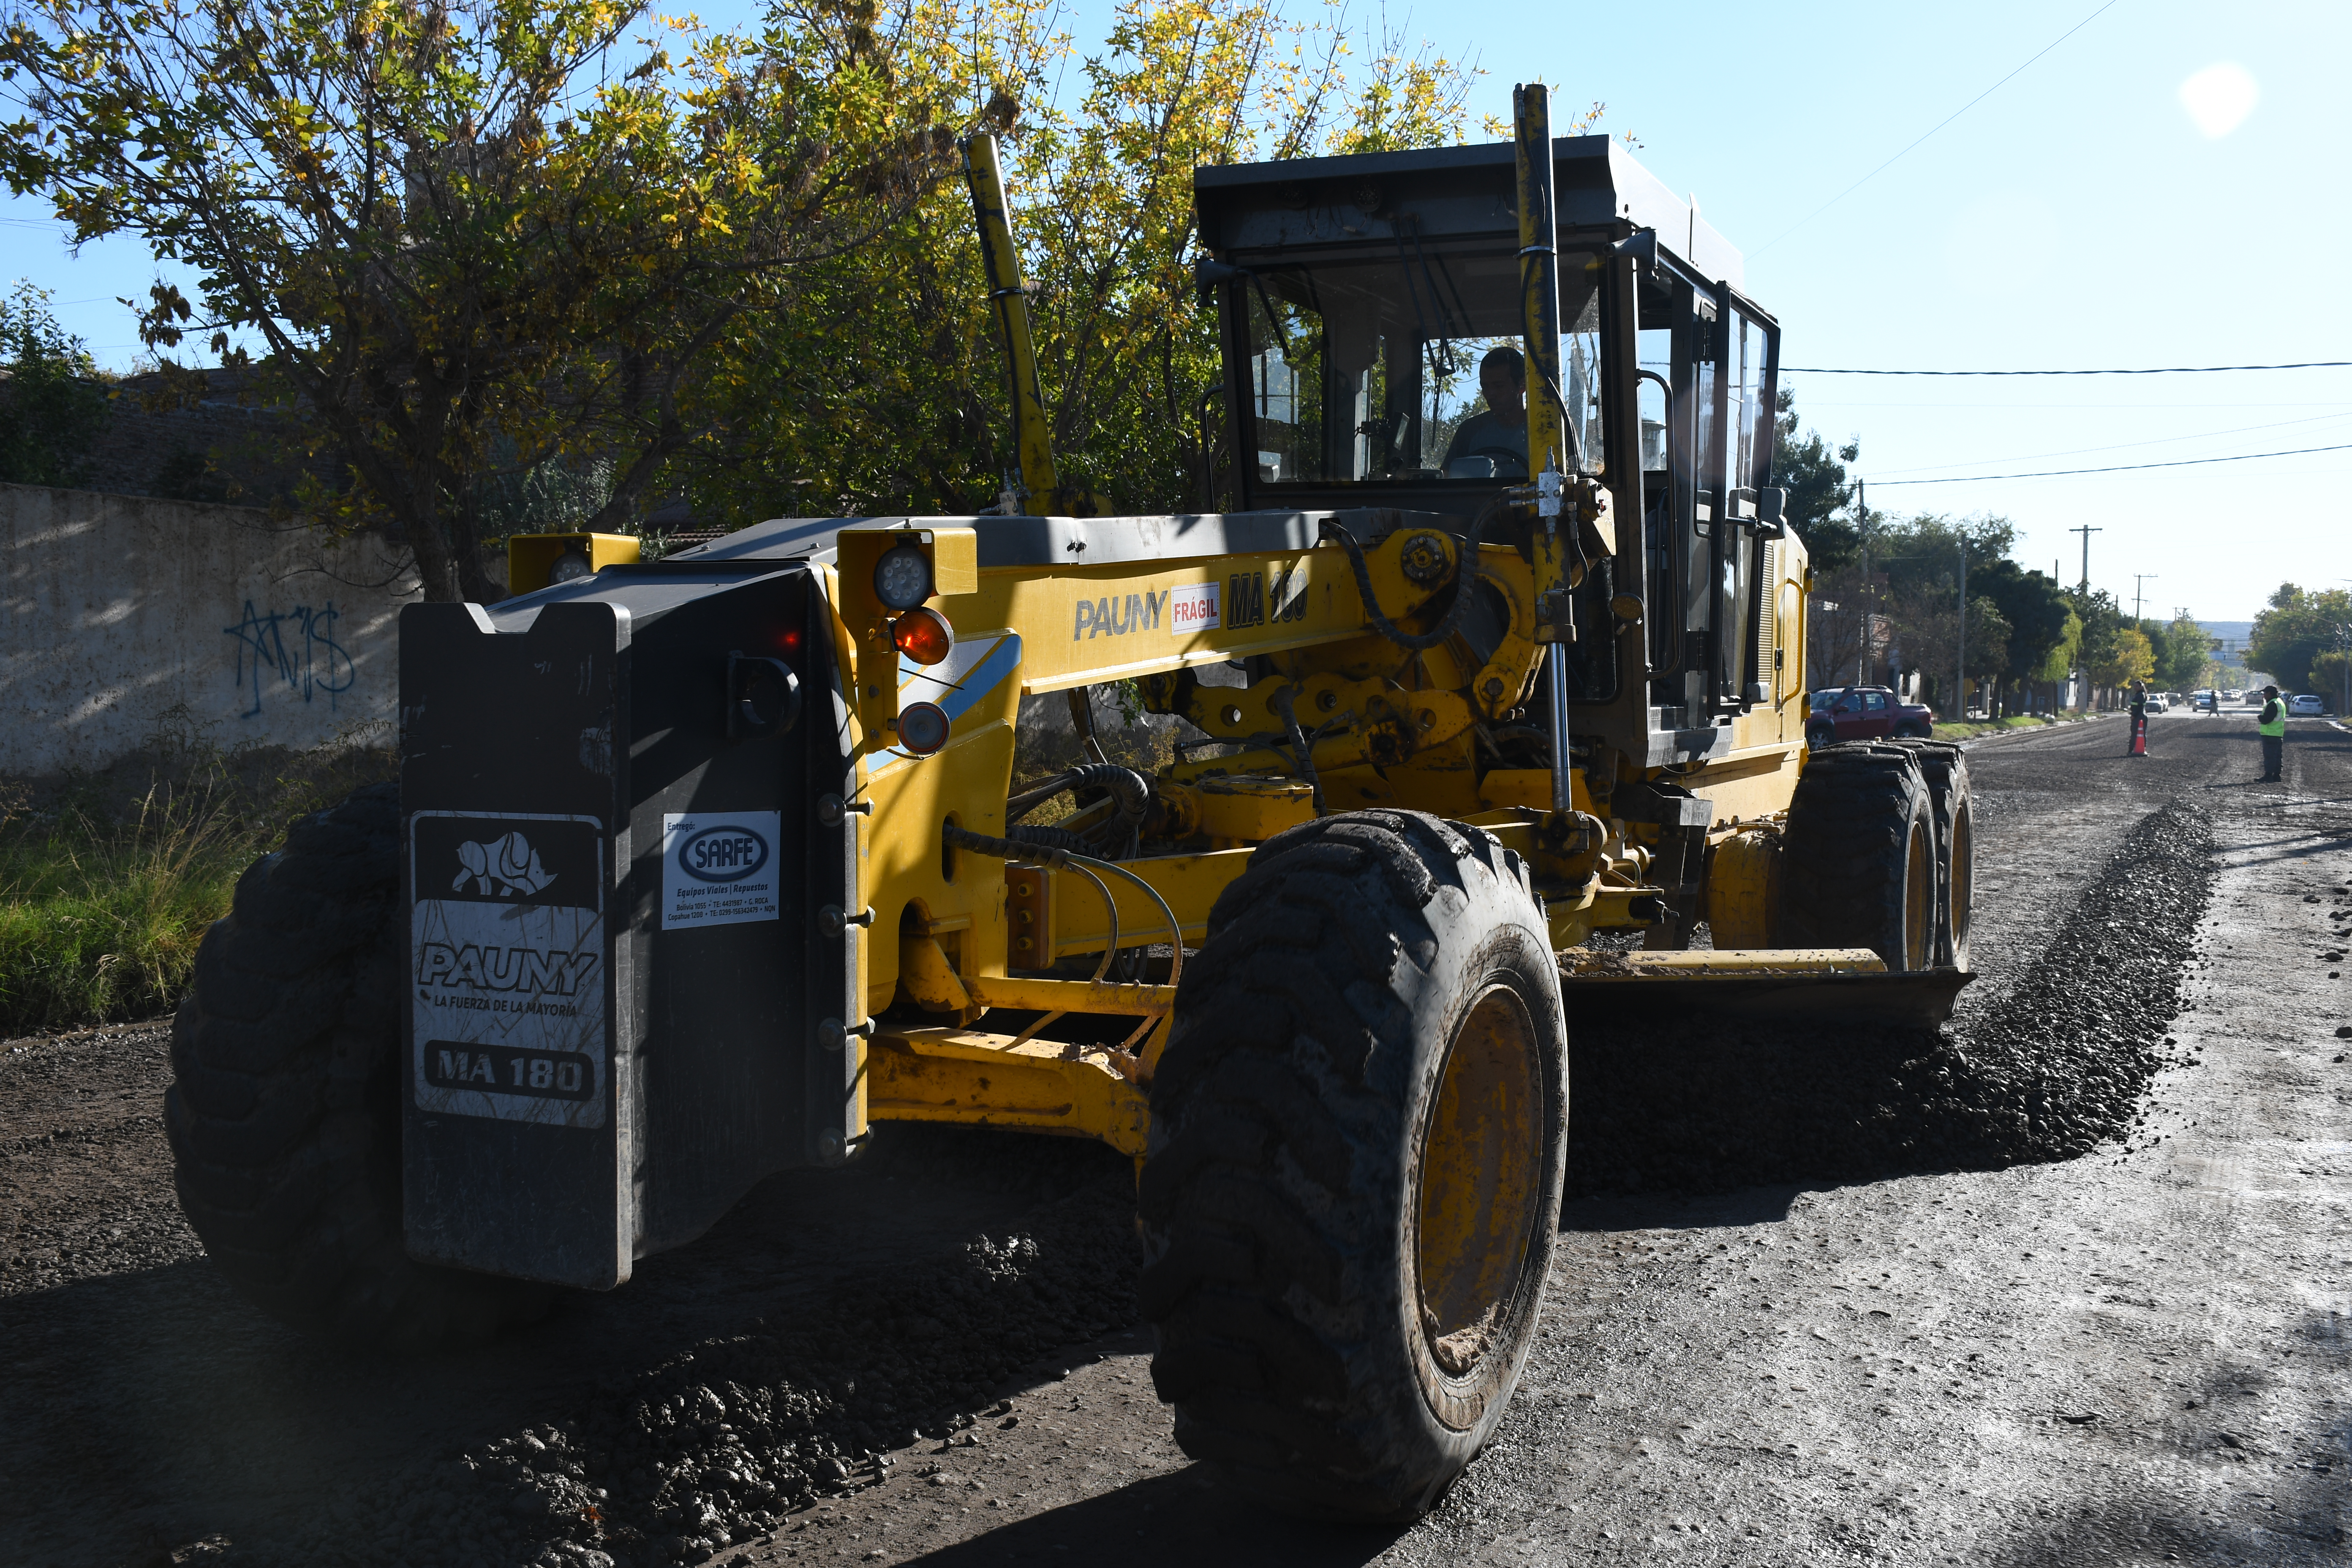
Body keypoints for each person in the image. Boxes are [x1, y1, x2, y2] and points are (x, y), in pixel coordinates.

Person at [1444, 346, 1529, 476]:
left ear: (1522, 386)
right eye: (1485, 386)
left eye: (1499, 386)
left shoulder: (1545, 431)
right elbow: (1445, 479)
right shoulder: (1469, 431)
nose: (1490, 394)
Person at [2257, 683, 2287, 781]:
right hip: (2277, 733)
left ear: (2270, 693)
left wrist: (2260, 718)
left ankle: (2268, 776)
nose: (2264, 696)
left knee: (2270, 756)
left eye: (2265, 693)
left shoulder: (2273, 704)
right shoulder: (2280, 702)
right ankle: (2277, 775)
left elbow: (2267, 719)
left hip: (2270, 733)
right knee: (2277, 756)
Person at [2127, 679, 2148, 757]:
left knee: (2136, 734)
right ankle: (2138, 749)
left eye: (2137, 686)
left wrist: (2134, 715)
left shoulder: (2140, 695)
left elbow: (2140, 707)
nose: (2135, 688)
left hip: (2139, 717)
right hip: (2140, 716)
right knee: (2139, 734)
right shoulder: (2139, 694)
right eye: (2134, 686)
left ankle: (2132, 750)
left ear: (2141, 687)